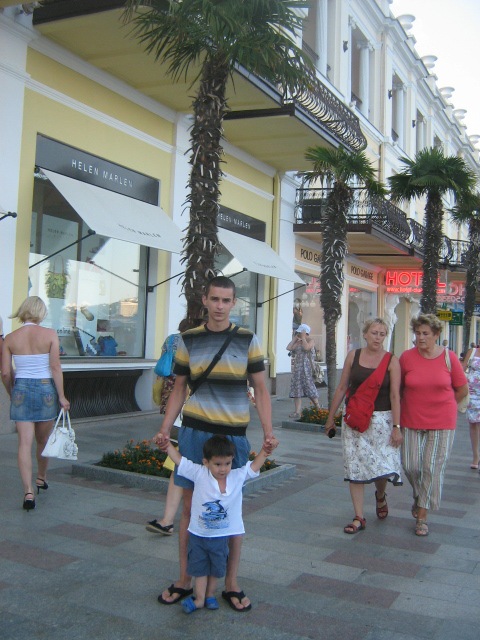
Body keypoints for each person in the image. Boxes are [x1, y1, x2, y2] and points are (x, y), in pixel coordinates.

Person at [152, 275, 275, 612]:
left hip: (232, 435)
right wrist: (165, 427)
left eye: (226, 300)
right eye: (215, 299)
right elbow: (179, 387)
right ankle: (184, 579)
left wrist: (268, 431)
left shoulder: (248, 339)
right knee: (189, 509)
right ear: (205, 300)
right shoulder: (188, 339)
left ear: (234, 303)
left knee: (231, 511)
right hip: (194, 432)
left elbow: (261, 388)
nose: (220, 306)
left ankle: (231, 583)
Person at [162, 434, 278, 613]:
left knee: (216, 569)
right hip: (198, 536)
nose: (223, 469)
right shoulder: (199, 473)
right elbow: (180, 461)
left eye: (227, 463)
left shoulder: (236, 477)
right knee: (200, 569)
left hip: (221, 537)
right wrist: (166, 444)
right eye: (217, 464)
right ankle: (199, 598)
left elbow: (254, 466)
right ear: (206, 462)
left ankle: (210, 596)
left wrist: (266, 450)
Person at [324, 318, 403, 534]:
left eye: (382, 334)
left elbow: (395, 396)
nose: (378, 337)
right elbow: (342, 388)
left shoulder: (392, 361)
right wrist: (330, 417)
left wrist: (397, 426)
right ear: (365, 334)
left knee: (381, 467)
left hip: (382, 421)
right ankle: (359, 516)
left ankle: (380, 494)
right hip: (356, 421)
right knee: (355, 466)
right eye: (374, 333)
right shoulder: (354, 356)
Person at [399, 314, 468, 537]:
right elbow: (398, 389)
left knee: (432, 468)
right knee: (410, 466)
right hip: (411, 419)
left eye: (425, 333)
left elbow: (462, 389)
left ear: (436, 335)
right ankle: (420, 497)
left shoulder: (449, 358)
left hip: (442, 422)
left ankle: (422, 516)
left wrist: (446, 407)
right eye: (417, 333)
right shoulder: (407, 358)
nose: (420, 337)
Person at [1, 296, 70, 511]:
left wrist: (12, 392)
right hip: (45, 389)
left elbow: (5, 372)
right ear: (41, 312)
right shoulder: (50, 335)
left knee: (24, 443)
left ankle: (28, 492)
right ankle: (41, 477)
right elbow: (55, 367)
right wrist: (62, 396)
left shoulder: (10, 338)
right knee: (43, 440)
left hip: (21, 388)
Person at [147, 318, 202, 535]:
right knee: (178, 467)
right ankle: (168, 520)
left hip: (203, 419)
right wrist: (166, 427)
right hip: (185, 417)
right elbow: (181, 388)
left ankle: (179, 520)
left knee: (187, 469)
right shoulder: (193, 347)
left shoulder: (175, 341)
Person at [286, 323, 320, 419]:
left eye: (300, 332)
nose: (299, 334)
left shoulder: (311, 341)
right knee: (297, 389)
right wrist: (294, 339)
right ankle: (297, 412)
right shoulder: (298, 342)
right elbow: (289, 348)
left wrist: (304, 338)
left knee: (310, 388)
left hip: (307, 370)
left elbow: (306, 347)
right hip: (298, 369)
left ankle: (318, 407)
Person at [461, 344, 480, 469]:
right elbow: (462, 370)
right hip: (472, 394)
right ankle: (476, 456)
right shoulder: (472, 351)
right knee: (473, 424)